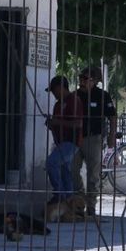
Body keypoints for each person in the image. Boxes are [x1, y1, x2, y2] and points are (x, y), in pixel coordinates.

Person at [72, 65, 117, 215]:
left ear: (95, 80)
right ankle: (79, 201)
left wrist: (111, 137)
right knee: (73, 170)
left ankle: (91, 205)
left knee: (93, 174)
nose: (81, 81)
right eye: (80, 78)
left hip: (93, 138)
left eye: (85, 79)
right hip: (75, 138)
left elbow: (112, 116)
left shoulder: (102, 95)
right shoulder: (75, 95)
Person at [44, 75, 83, 204]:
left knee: (51, 163)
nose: (53, 94)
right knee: (64, 170)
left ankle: (60, 195)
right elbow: (58, 124)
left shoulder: (74, 100)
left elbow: (78, 124)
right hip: (61, 142)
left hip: (71, 142)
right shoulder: (57, 105)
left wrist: (57, 122)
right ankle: (69, 200)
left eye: (54, 90)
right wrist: (51, 125)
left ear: (61, 88)